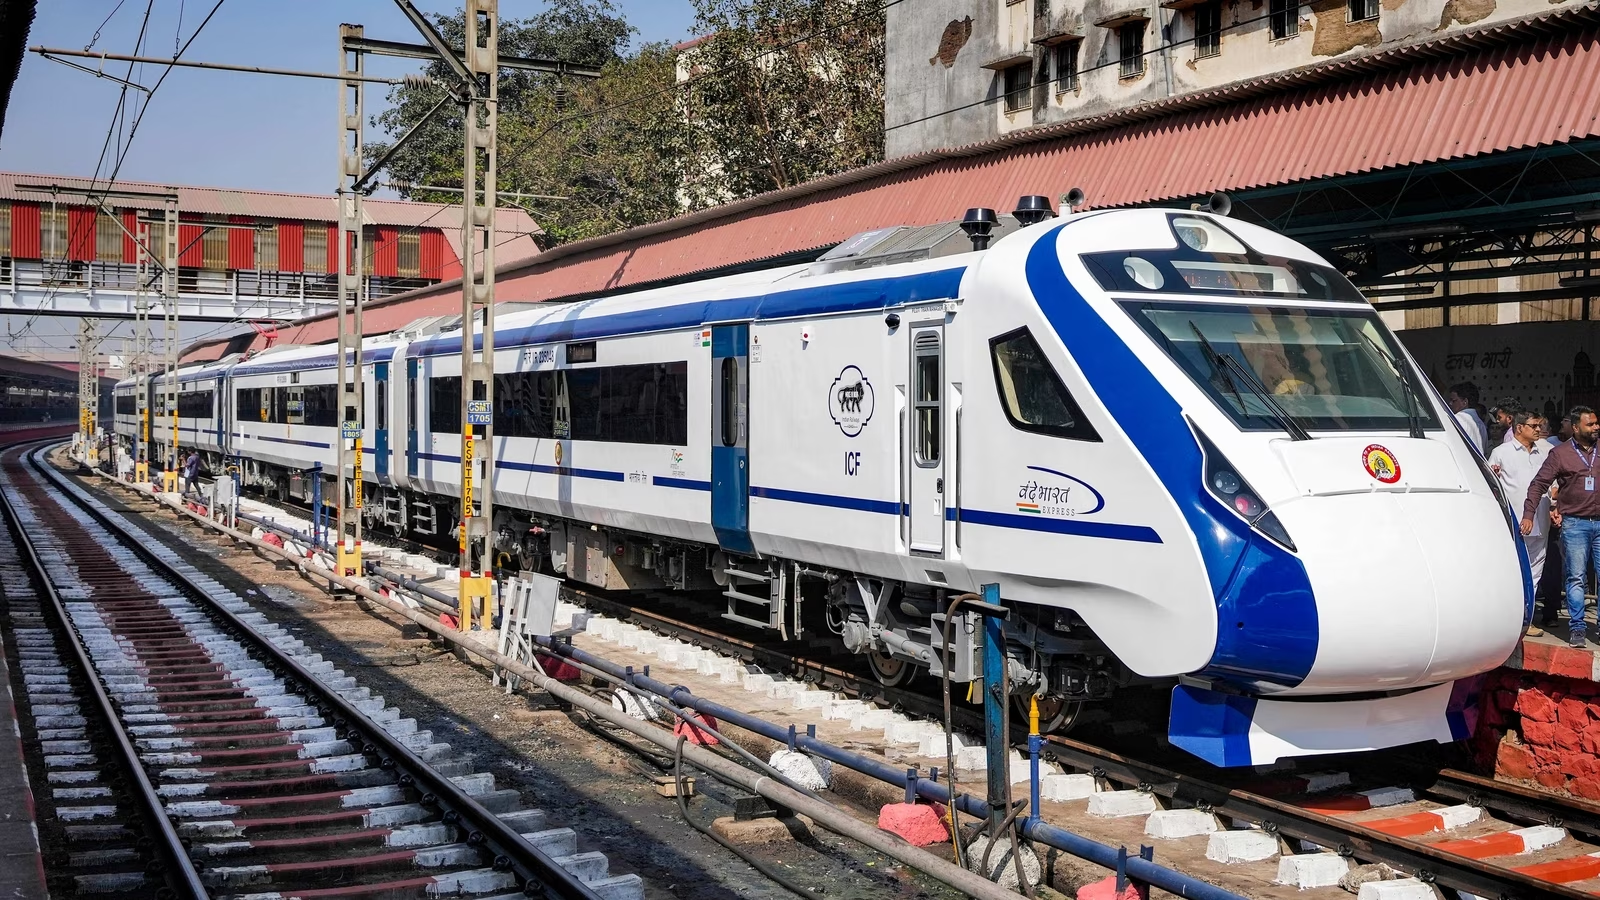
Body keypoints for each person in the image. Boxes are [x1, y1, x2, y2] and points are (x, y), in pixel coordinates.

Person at [1525, 406, 1600, 647]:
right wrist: (1528, 514)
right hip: (1575, 524)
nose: (1596, 427)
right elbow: (1538, 484)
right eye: (1590, 424)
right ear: (1576, 428)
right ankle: (1577, 628)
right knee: (1576, 578)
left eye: (1597, 423)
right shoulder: (1560, 454)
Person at [1492, 410, 1552, 636]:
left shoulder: (1544, 453)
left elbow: (1551, 485)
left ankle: (1527, 619)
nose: (1538, 429)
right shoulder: (1501, 453)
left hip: (1541, 519)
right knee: (1515, 570)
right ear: (1519, 428)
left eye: (1539, 425)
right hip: (1516, 521)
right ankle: (1510, 618)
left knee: (1535, 572)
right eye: (1533, 425)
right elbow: (1494, 488)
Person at [1448, 382, 1487, 453]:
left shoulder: (1457, 419)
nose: (1450, 404)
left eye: (1453, 400)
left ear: (1465, 402)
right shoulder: (1481, 424)